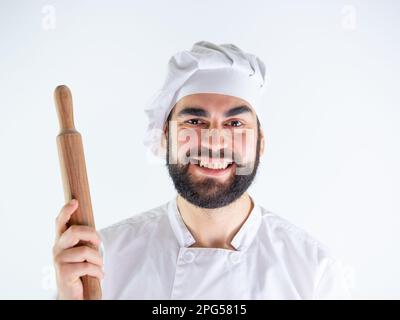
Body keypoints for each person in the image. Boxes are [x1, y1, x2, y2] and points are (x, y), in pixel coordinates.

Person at [53, 41, 352, 299]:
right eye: (194, 122)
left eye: (235, 124)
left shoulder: (313, 273)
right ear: (164, 138)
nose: (214, 142)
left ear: (260, 143)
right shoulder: (102, 264)